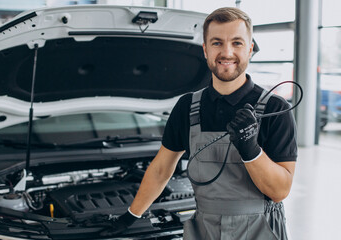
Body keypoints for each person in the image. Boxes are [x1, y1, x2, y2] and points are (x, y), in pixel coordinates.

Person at [99, 7, 297, 240]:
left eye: (237, 43)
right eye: (216, 43)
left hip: (259, 229)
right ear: (205, 49)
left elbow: (279, 191)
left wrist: (251, 150)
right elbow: (161, 169)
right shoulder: (187, 107)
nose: (227, 52)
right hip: (204, 229)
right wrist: (131, 215)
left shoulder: (275, 109)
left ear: (250, 49)